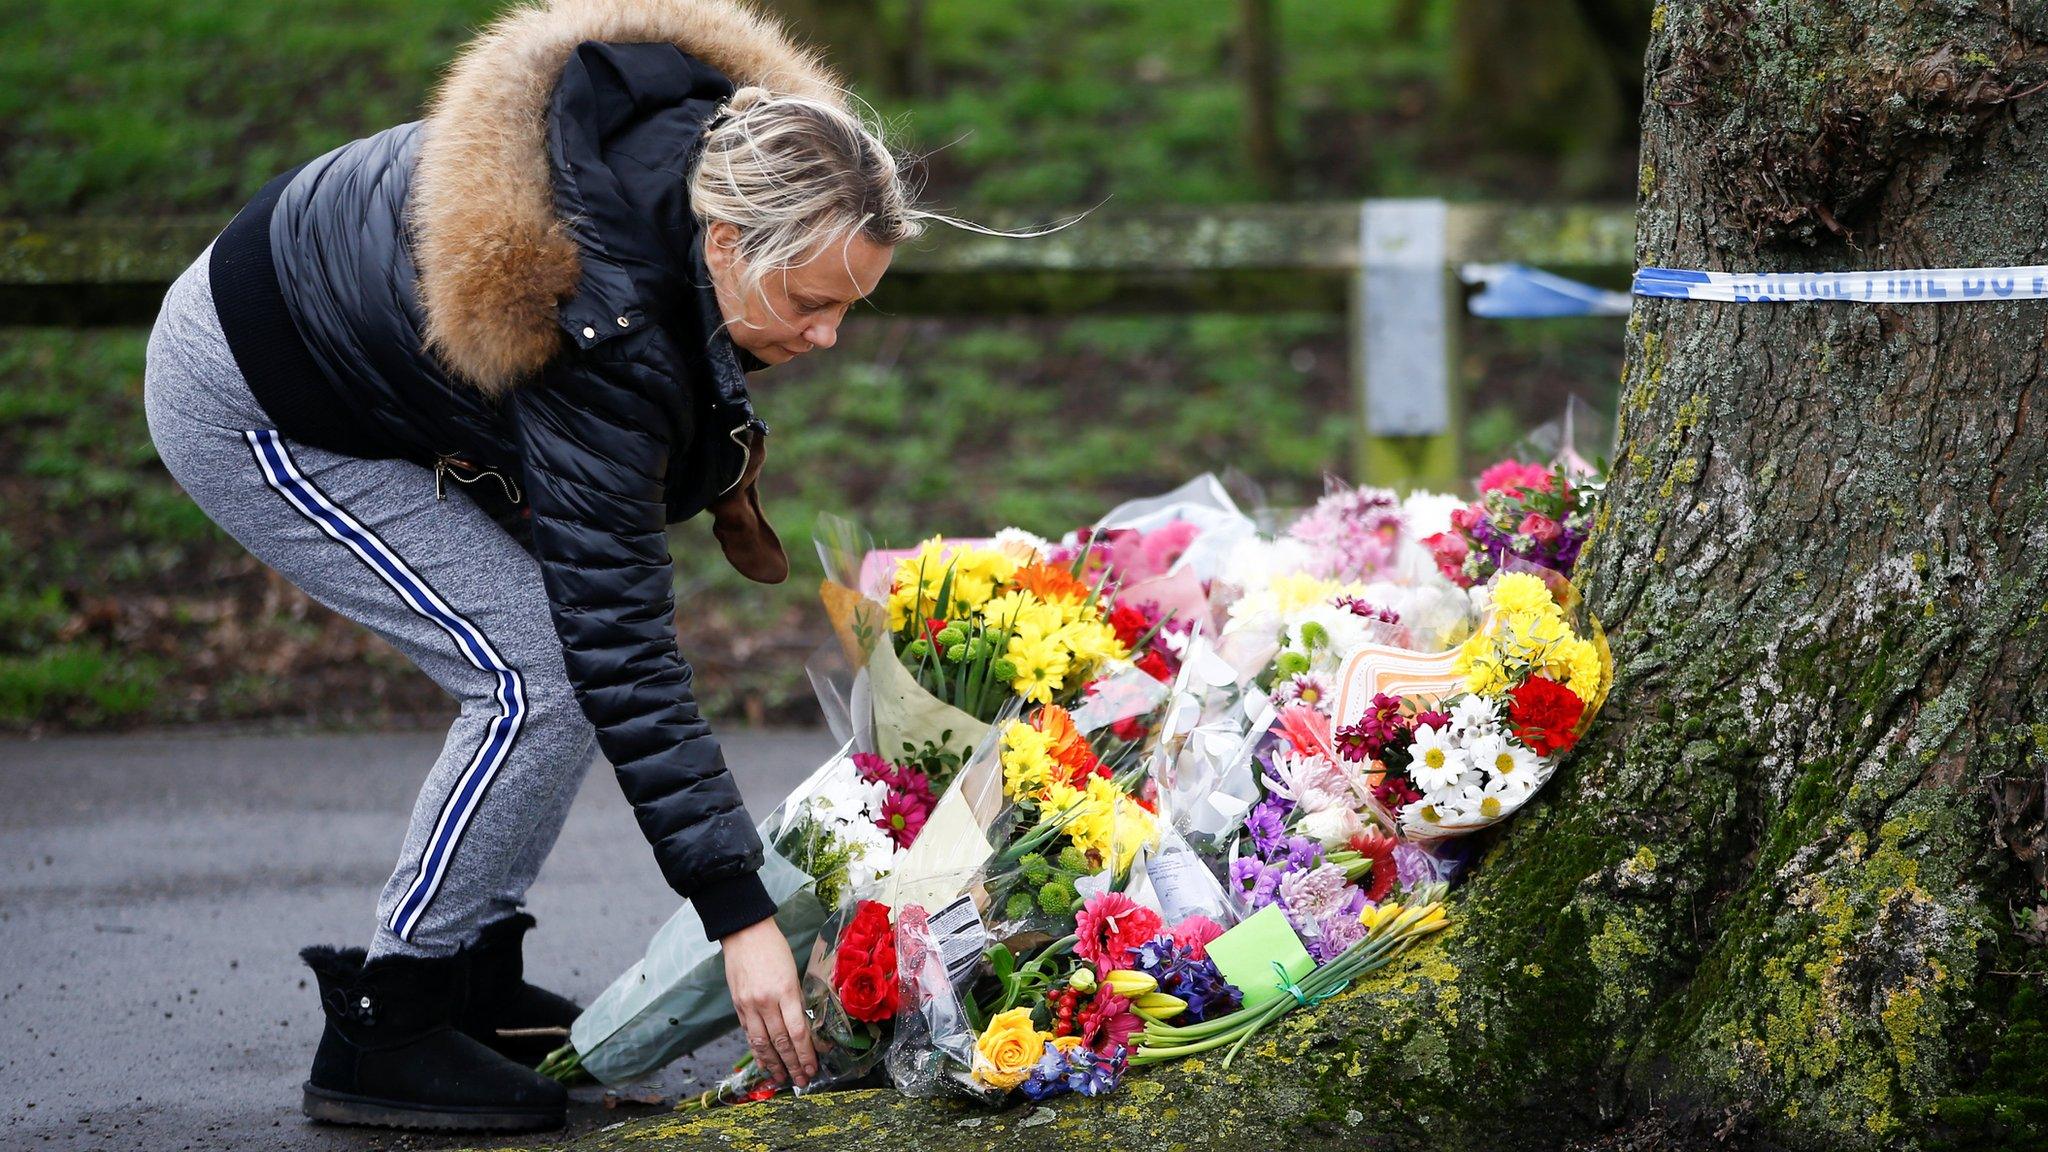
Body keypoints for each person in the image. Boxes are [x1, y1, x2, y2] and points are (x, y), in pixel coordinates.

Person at [142, 0, 951, 1132]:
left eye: (849, 307)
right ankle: (393, 1015)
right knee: (537, 667)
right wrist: (740, 915)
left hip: (351, 345)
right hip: (254, 396)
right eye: (813, 304)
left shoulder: (711, 179)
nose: (827, 339)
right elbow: (616, 637)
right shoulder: (597, 315)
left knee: (547, 665)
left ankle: (469, 975)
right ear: (724, 244)